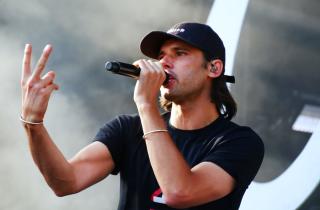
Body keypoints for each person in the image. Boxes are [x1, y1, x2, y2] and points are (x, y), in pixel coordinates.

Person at [20, 22, 264, 210]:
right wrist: (33, 124)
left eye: (179, 53)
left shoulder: (239, 142)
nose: (164, 63)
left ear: (214, 68)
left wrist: (146, 104)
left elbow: (180, 192)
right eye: (160, 56)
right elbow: (66, 182)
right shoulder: (127, 129)